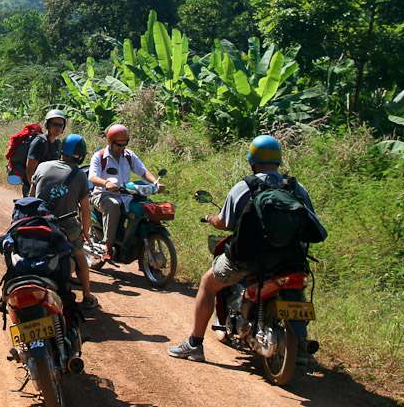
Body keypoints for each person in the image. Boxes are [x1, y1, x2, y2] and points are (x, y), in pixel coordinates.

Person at [168, 135, 326, 363]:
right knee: (297, 288)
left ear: (252, 159)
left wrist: (210, 218)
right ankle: (301, 346)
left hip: (250, 261)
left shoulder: (244, 187)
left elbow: (225, 223)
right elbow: (314, 224)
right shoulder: (295, 188)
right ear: (278, 159)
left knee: (207, 282)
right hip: (291, 260)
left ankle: (194, 344)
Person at [30, 134, 98, 309]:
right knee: (80, 255)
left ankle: (4, 294)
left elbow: (31, 199)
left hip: (41, 223)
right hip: (67, 226)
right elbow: (85, 210)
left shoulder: (42, 167)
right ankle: (87, 296)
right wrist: (85, 232)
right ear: (81, 155)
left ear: (61, 151)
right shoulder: (81, 176)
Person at [87, 124, 164, 263]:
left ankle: (137, 247)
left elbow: (143, 171)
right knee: (114, 205)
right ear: (110, 142)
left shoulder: (129, 155)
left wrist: (155, 183)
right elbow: (92, 177)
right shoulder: (100, 157)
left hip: (126, 195)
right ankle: (107, 247)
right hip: (102, 195)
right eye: (118, 144)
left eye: (124, 144)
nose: (121, 147)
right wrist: (106, 183)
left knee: (143, 208)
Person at [22, 109, 66, 197]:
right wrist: (34, 189)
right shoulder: (39, 142)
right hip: (34, 187)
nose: (58, 128)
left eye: (61, 125)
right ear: (47, 125)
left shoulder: (58, 143)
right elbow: (30, 169)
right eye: (55, 124)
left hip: (48, 187)